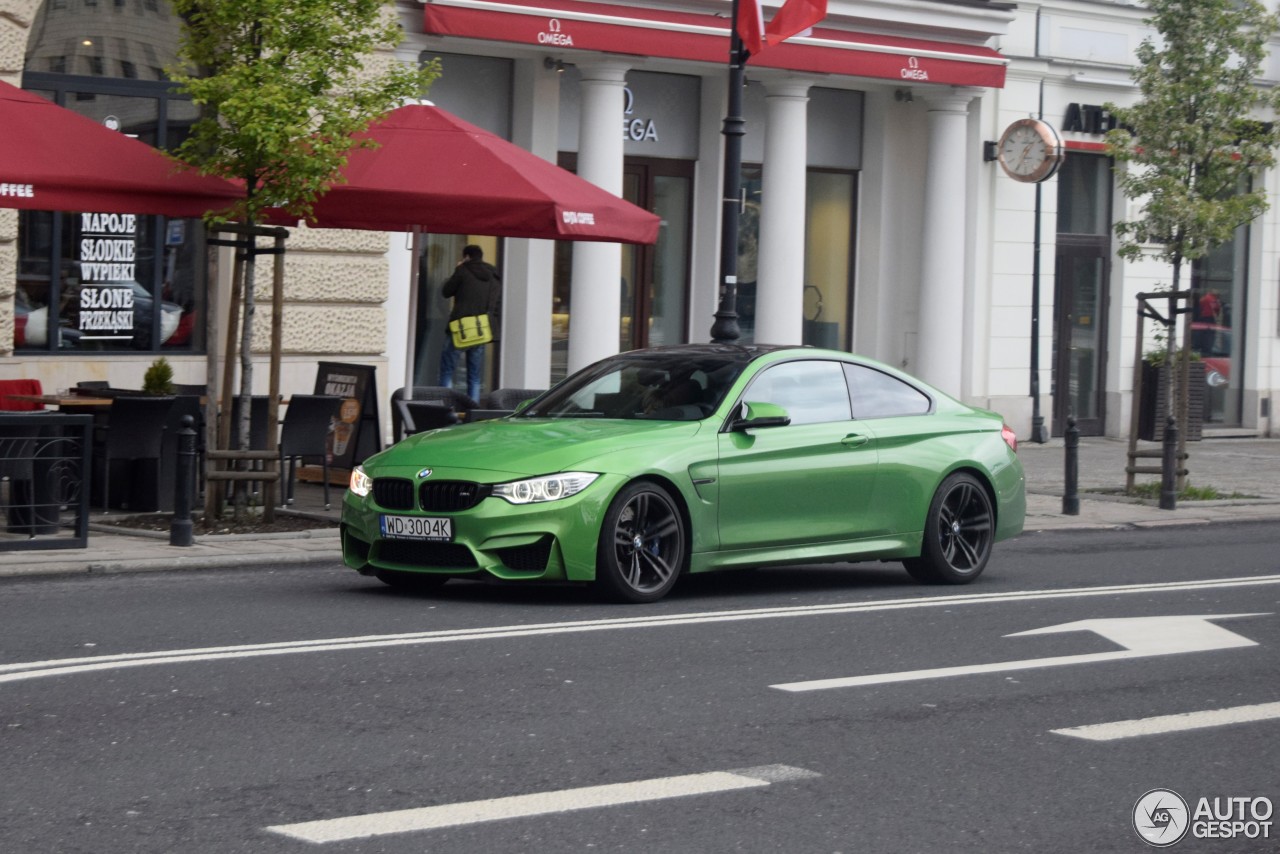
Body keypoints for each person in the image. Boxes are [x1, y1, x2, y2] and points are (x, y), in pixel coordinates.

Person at [439, 245, 501, 402]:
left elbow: (446, 291)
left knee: (447, 370)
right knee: (474, 376)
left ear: (466, 256)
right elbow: (495, 302)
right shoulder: (493, 273)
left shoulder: (463, 270)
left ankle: (444, 407)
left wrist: (457, 269)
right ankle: (472, 411)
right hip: (480, 329)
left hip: (459, 328)